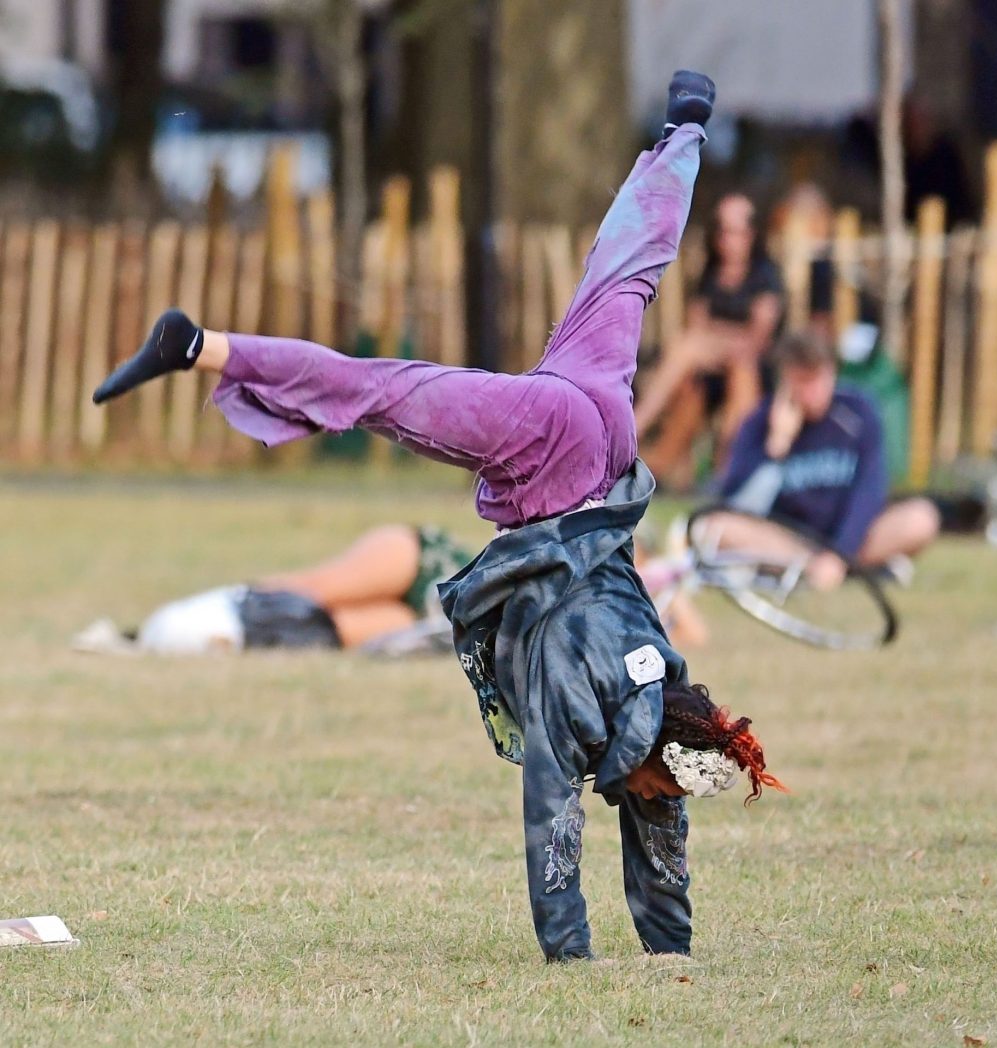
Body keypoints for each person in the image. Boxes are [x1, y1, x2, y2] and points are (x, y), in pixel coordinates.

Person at [92, 71, 785, 963]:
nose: (665, 802)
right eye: (668, 787)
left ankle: (685, 127)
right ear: (660, 750)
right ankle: (196, 344)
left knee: (627, 272)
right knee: (384, 390)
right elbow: (552, 810)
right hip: (559, 447)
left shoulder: (668, 691)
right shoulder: (589, 691)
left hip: (608, 439)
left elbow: (660, 837)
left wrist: (671, 954)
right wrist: (571, 955)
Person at [713, 330, 940, 590]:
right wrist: (776, 447)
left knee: (921, 518)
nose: (812, 392)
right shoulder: (760, 422)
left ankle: (834, 568)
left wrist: (840, 553)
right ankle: (833, 569)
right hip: (788, 539)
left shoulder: (858, 412)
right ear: (784, 382)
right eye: (801, 382)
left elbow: (870, 491)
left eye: (817, 379)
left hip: (852, 537)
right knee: (717, 527)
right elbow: (737, 503)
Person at [72, 524, 475, 655]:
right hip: (434, 568)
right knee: (315, 591)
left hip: (433, 623)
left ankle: (209, 630)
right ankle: (209, 610)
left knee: (326, 629)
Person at [634, 193, 784, 489]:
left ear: (752, 234)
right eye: (722, 231)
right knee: (690, 377)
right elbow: (697, 325)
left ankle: (726, 466)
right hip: (710, 371)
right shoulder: (711, 274)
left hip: (752, 372)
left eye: (736, 231)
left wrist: (714, 339)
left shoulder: (765, 276)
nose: (727, 240)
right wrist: (721, 340)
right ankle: (660, 463)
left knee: (732, 367)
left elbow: (757, 340)